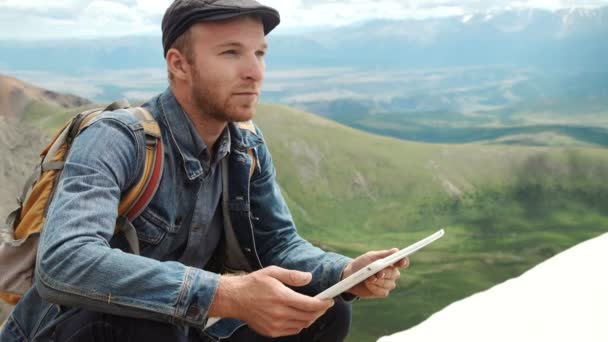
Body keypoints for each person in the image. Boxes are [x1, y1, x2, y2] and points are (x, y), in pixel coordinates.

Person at [0, 0, 409, 341]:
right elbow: (64, 262)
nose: (255, 71)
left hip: (176, 330)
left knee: (325, 311)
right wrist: (225, 293)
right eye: (231, 53)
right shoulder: (116, 139)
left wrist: (345, 271)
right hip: (74, 331)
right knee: (142, 320)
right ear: (179, 64)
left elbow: (280, 245)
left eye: (259, 53)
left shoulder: (245, 147)